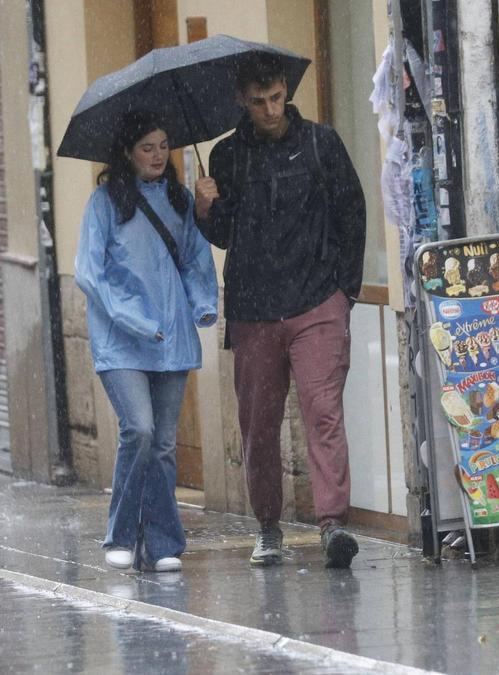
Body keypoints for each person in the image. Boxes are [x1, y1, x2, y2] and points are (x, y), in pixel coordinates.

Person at [193, 52, 366, 568]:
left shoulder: (320, 143)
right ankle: (268, 527)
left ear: (286, 92)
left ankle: (333, 524)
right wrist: (204, 209)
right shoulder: (228, 156)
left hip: (317, 302)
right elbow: (223, 234)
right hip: (254, 309)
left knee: (323, 413)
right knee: (259, 424)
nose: (270, 110)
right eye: (257, 102)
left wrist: (345, 293)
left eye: (275, 98)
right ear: (241, 102)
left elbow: (352, 213)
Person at [75, 110, 218, 573]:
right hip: (121, 340)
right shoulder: (104, 204)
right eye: (146, 147)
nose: (158, 155)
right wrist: (131, 316)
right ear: (127, 153)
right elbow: (89, 272)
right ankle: (119, 534)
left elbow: (195, 259)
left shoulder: (178, 199)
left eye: (163, 145)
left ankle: (162, 543)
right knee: (138, 429)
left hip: (170, 337)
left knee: (163, 445)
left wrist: (201, 304)